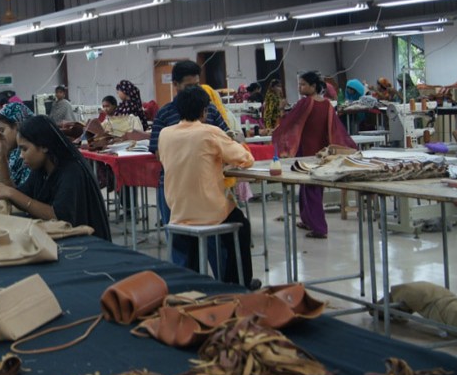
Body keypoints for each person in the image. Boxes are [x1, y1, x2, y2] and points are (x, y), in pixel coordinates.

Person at [159, 86, 256, 287]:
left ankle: (193, 286)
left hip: (177, 210)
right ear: (205, 111)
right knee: (242, 227)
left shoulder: (165, 134)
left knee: (191, 241)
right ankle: (237, 284)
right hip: (209, 211)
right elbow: (245, 159)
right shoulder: (210, 132)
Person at [149, 60, 233, 266]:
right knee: (181, 248)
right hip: (174, 190)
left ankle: (224, 290)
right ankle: (188, 292)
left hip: (208, 188)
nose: (194, 90)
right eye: (189, 86)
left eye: (197, 85)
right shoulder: (165, 114)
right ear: (175, 85)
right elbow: (159, 153)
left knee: (216, 245)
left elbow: (228, 138)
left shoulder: (210, 110)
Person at [0, 115, 110, 240]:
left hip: (87, 245)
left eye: (25, 149)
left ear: (44, 146)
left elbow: (59, 216)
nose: (21, 155)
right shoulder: (42, 169)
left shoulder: (71, 171)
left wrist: (11, 193)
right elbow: (18, 196)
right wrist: (1, 158)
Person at [272, 71, 356, 239]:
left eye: (303, 84)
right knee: (309, 187)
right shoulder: (326, 104)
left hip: (307, 151)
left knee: (310, 188)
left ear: (313, 86)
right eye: (300, 84)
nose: (300, 87)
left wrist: (278, 132)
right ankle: (307, 220)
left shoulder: (306, 103)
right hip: (320, 151)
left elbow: (290, 122)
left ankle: (319, 228)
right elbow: (335, 128)